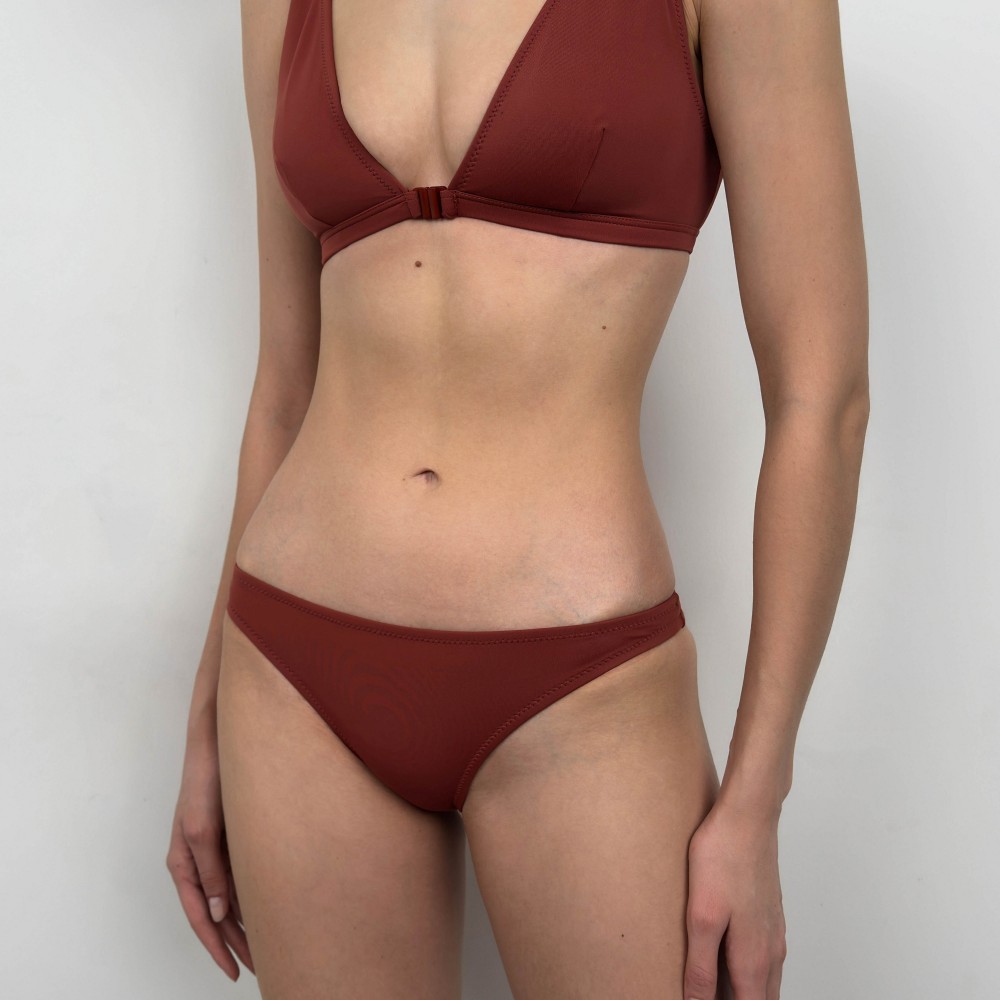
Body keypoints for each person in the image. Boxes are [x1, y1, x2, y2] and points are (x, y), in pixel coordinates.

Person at [166, 0, 869, 996]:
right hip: (293, 665)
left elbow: (819, 397)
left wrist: (756, 802)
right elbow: (284, 383)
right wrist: (205, 720)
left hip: (582, 675)